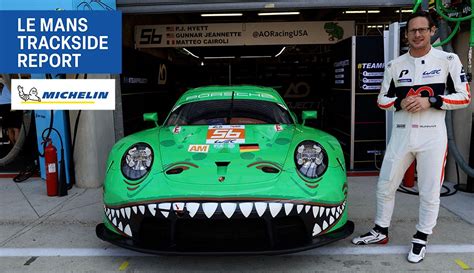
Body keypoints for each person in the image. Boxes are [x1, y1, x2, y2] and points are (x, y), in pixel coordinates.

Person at [351, 11, 471, 263]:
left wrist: (433, 101)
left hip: (432, 137)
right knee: (385, 185)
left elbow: (464, 97)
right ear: (406, 35)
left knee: (429, 192)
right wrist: (399, 103)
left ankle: (421, 236)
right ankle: (380, 230)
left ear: (432, 32)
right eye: (412, 31)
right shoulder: (395, 65)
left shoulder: (448, 59)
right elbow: (381, 100)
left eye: (422, 30)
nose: (417, 35)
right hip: (402, 135)